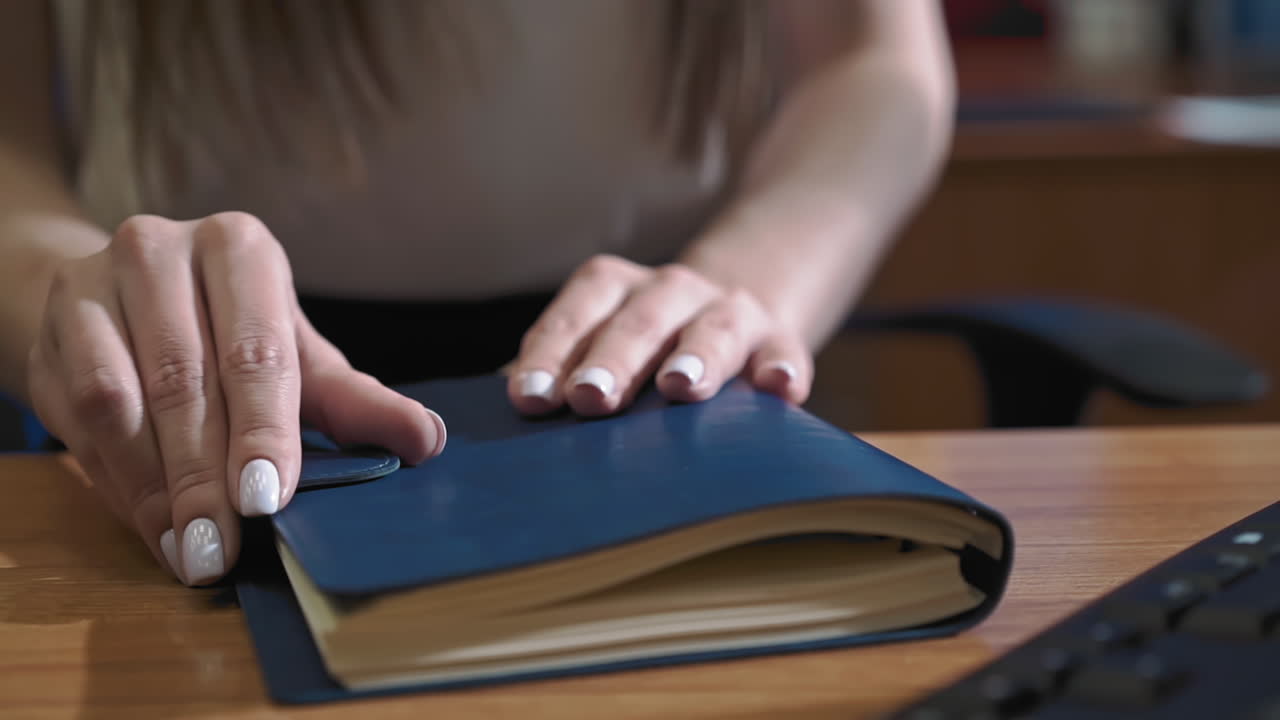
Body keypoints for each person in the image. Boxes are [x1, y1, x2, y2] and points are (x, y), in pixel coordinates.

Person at [0, 1, 955, 586]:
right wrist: (63, 296)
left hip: (646, 375)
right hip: (177, 388)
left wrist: (740, 283)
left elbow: (873, 61)